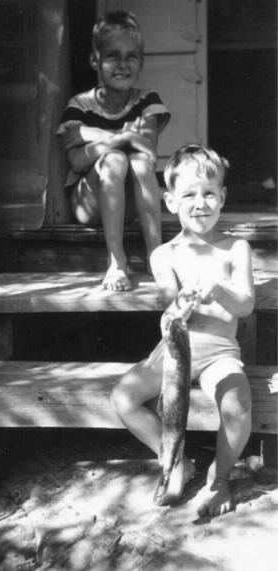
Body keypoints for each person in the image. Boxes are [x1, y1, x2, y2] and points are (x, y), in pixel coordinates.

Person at [111, 144, 255, 517]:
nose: (201, 202)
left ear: (222, 197)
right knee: (123, 398)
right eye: (189, 194)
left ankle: (219, 478)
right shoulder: (164, 255)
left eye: (209, 193)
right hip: (176, 351)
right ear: (170, 201)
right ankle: (175, 462)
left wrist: (220, 290)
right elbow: (170, 310)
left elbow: (246, 305)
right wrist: (184, 303)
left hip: (220, 352)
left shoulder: (236, 248)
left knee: (238, 409)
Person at [57, 11, 170, 291]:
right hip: (90, 201)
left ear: (141, 61)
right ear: (95, 60)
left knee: (140, 165)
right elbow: (77, 160)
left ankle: (155, 254)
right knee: (116, 159)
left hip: (129, 201)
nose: (122, 65)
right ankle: (116, 260)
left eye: (131, 56)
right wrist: (123, 137)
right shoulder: (80, 105)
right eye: (112, 56)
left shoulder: (147, 101)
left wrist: (93, 137)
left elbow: (146, 153)